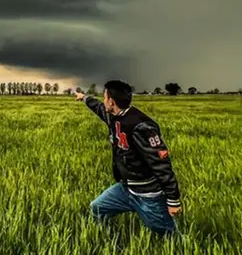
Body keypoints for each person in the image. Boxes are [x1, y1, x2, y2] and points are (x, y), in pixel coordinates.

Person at [76, 80, 182, 236]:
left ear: (111, 102)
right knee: (97, 208)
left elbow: (161, 164)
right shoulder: (113, 115)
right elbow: (98, 107)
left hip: (148, 196)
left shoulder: (141, 126)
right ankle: (105, 241)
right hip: (126, 189)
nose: (103, 100)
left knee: (169, 236)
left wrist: (173, 200)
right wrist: (84, 98)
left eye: (105, 97)